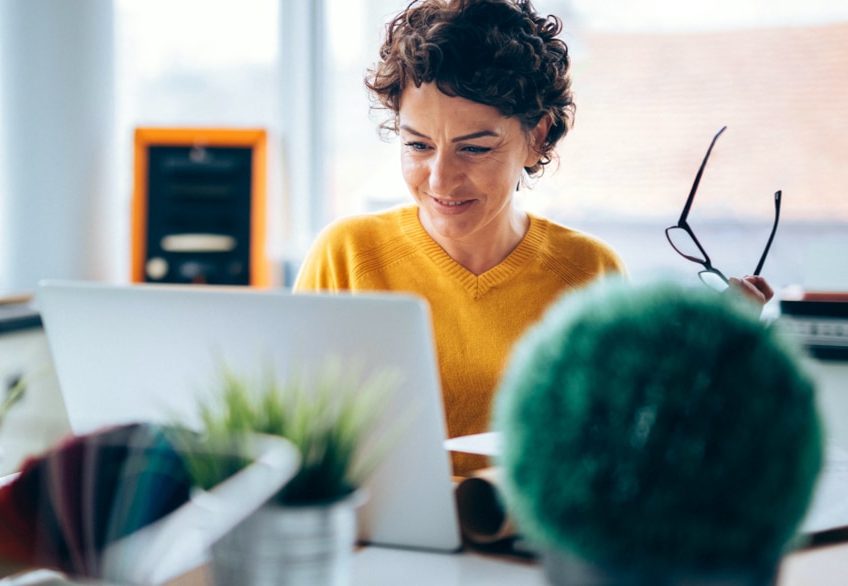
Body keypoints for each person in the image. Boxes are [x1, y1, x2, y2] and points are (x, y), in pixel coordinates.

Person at [293, 0, 772, 475]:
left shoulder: (590, 272)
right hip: (379, 543)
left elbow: (630, 445)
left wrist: (713, 349)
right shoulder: (347, 255)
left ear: (538, 137)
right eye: (417, 145)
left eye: (475, 148)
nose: (439, 180)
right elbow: (294, 440)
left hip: (530, 546)